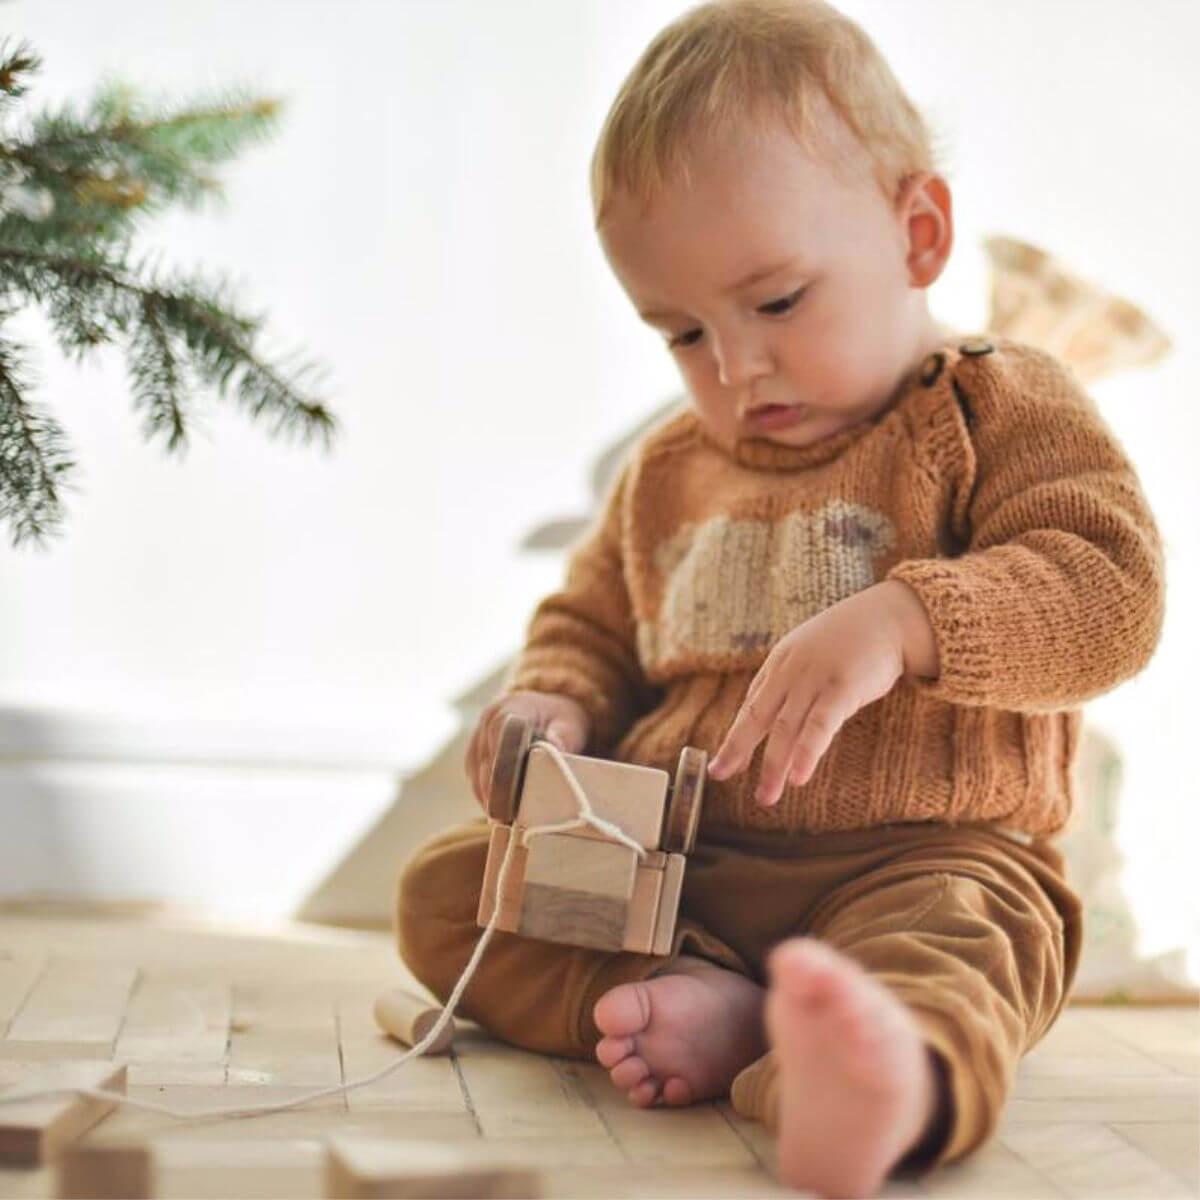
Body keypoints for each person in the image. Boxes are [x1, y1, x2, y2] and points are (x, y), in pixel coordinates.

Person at [395, 2, 1166, 1194]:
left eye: (779, 302)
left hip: (921, 858)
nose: (735, 367)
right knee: (451, 897)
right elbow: (594, 623)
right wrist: (552, 706)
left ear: (917, 236)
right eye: (683, 332)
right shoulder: (670, 470)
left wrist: (911, 623)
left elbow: (1109, 591)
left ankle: (854, 1070)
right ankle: (720, 1007)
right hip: (685, 868)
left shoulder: (997, 406)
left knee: (965, 953)